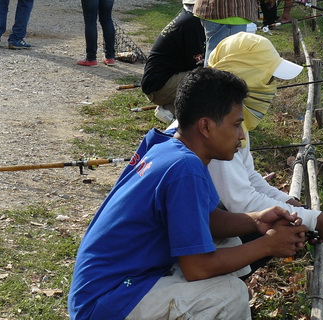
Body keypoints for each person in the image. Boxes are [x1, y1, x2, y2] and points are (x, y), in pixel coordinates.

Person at [68, 67, 308, 320]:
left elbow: (205, 218)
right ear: (205, 126)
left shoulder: (172, 147)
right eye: (237, 125)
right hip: (108, 300)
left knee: (228, 243)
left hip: (116, 283)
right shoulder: (185, 168)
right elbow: (197, 268)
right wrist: (268, 244)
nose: (241, 136)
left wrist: (256, 220)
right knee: (229, 295)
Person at [205, 32, 323, 272]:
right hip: (197, 232)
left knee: (289, 226)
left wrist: (291, 205)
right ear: (249, 78)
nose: (274, 89)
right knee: (282, 233)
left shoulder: (236, 125)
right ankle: (219, 288)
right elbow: (242, 202)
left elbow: (251, 179)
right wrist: (314, 219)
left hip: (214, 217)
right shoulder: (216, 133)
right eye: (270, 79)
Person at [141, 0, 205, 120]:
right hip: (159, 87)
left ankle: (172, 105)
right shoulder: (192, 23)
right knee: (207, 77)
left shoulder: (187, 17)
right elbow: (197, 64)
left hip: (159, 82)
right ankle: (171, 110)